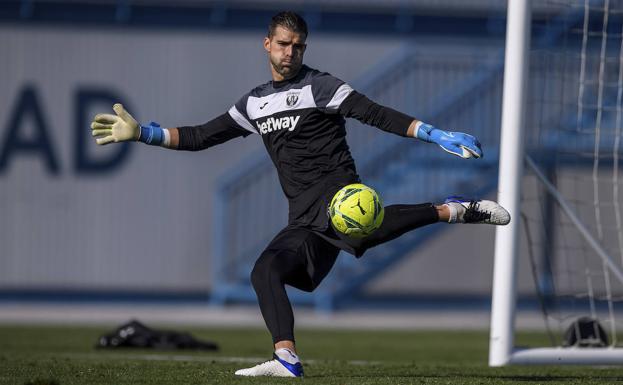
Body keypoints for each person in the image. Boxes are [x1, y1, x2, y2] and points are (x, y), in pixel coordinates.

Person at [90, 11, 510, 378]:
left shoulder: (321, 87)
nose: (291, 53)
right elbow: (201, 135)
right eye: (284, 44)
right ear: (267, 44)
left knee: (358, 228)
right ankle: (287, 356)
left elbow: (375, 114)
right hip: (303, 218)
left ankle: (452, 210)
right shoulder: (253, 104)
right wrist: (143, 133)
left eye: (299, 46)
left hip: (341, 198)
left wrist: (432, 133)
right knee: (265, 272)